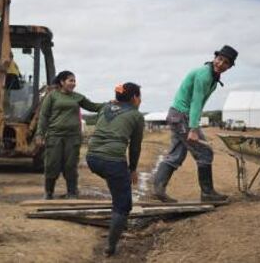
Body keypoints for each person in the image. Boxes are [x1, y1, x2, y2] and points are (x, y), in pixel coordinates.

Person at [153, 45, 238, 203]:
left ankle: (158, 189)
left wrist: (195, 123)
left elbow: (200, 103)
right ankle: (207, 194)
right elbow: (196, 102)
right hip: (182, 115)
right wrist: (193, 128)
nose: (221, 64)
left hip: (179, 115)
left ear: (230, 66)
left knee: (176, 154)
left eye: (226, 62)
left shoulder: (213, 77)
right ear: (215, 57)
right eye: (219, 59)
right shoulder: (204, 75)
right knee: (205, 152)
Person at [86, 83, 144, 256]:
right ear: (135, 98)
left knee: (117, 185)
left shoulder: (105, 107)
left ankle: (116, 219)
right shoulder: (136, 115)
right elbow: (135, 147)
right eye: (139, 96)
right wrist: (132, 168)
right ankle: (110, 247)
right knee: (123, 205)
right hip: (112, 162)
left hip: (92, 158)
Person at [35, 71, 103, 199]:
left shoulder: (77, 97)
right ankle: (49, 192)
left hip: (73, 137)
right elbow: (43, 116)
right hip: (55, 136)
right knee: (52, 164)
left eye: (74, 81)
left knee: (70, 165)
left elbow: (93, 107)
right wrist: (40, 134)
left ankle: (72, 192)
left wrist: (110, 104)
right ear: (62, 82)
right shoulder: (52, 96)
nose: (73, 83)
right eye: (70, 80)